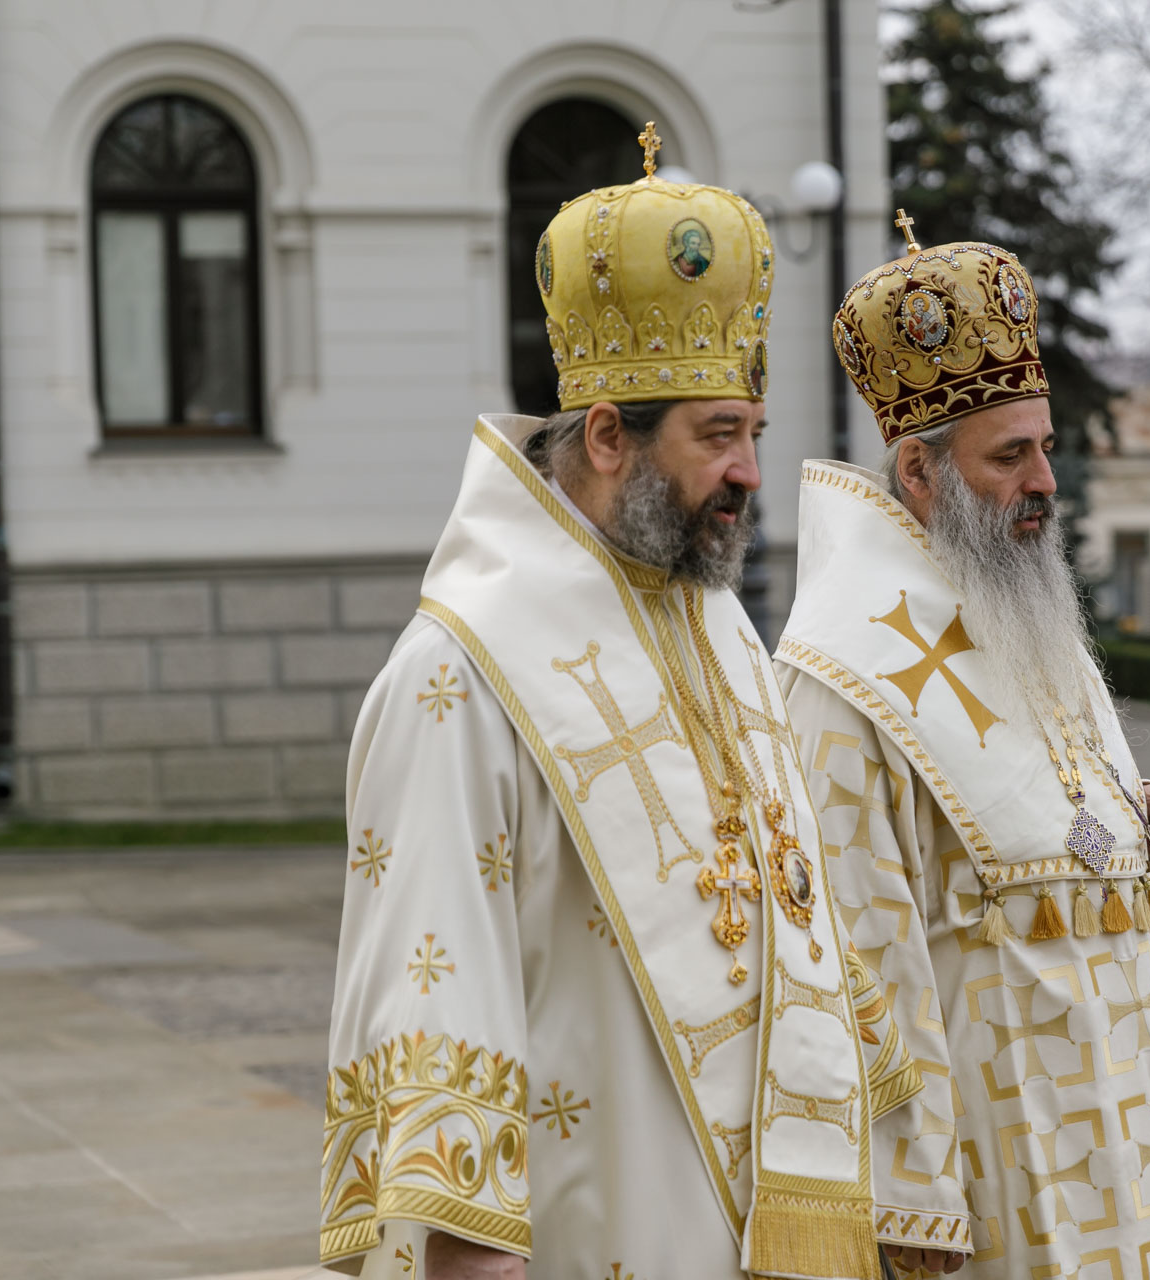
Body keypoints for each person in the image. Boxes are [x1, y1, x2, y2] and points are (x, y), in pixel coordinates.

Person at [321, 127, 910, 1280]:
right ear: (606, 437)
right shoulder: (461, 672)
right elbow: (437, 973)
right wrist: (469, 1253)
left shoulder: (713, 619)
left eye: (753, 435)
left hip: (770, 1219)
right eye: (719, 437)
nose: (749, 472)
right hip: (597, 1224)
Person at [775, 217, 1150, 1278]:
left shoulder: (1024, 606)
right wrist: (910, 1207)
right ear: (919, 472)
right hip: (995, 1163)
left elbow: (1045, 843)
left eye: (1047, 448)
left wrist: (1137, 837)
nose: (1044, 482)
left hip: (1126, 1134)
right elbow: (853, 961)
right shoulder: (839, 670)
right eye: (1009, 455)